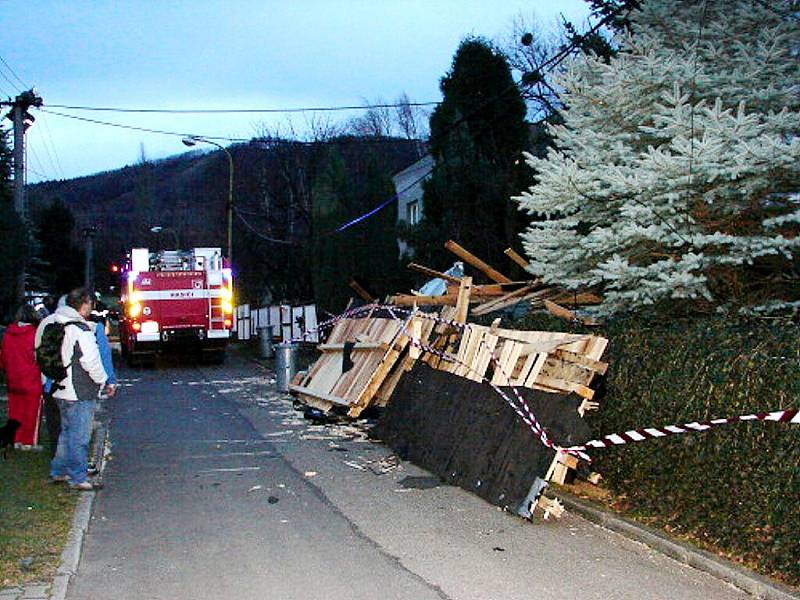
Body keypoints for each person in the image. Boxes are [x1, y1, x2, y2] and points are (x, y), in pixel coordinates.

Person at [37, 288, 115, 490]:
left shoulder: (54, 322)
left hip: (59, 386)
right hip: (80, 389)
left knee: (65, 433)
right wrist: (102, 380)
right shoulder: (81, 329)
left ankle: (59, 470)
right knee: (79, 437)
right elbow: (91, 361)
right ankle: (78, 477)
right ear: (84, 304)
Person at [0, 305, 43, 449]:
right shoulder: (36, 334)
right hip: (31, 379)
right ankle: (28, 441)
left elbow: (4, 358)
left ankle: (15, 438)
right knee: (31, 412)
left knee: (15, 411)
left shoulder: (8, 334)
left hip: (13, 379)